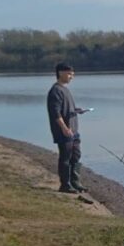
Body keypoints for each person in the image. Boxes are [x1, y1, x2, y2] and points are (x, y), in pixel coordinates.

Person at [47, 62, 91, 193]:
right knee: (65, 157)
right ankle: (65, 185)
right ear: (60, 73)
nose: (72, 77)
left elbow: (66, 109)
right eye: (69, 74)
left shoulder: (65, 89)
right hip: (64, 131)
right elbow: (55, 113)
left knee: (76, 156)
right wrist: (64, 128)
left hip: (74, 130)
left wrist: (77, 110)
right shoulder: (55, 91)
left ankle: (75, 182)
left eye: (73, 74)